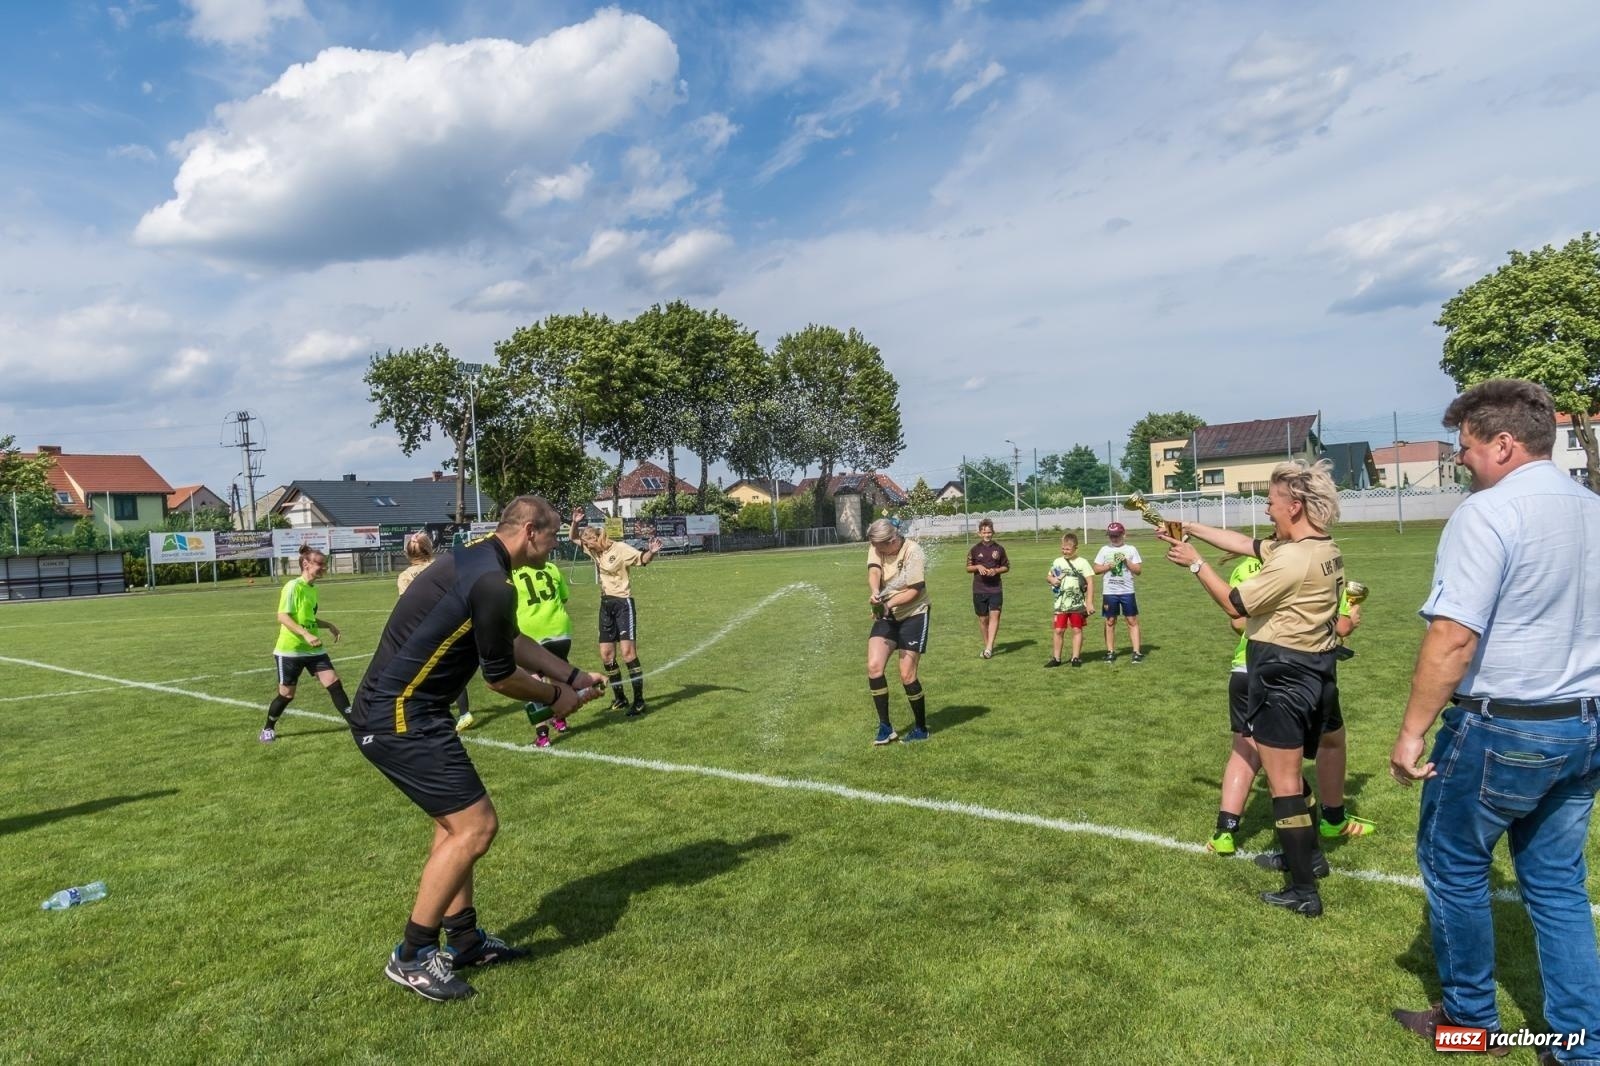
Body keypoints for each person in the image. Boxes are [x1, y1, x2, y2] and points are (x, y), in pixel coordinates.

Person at [1389, 380, 1600, 1061]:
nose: (1464, 462)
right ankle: (1581, 1044)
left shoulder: (1486, 514)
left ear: (1505, 443)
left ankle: (1470, 1023)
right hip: (1585, 723)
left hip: (1505, 725)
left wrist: (1412, 731)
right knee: (1558, 883)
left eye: (1468, 448)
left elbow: (1453, 635)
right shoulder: (1592, 509)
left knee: (1453, 865)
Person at [350, 496, 606, 1002]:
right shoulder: (491, 580)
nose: (554, 548)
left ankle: (464, 940)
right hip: (399, 716)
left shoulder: (474, 560)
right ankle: (413, 955)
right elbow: (500, 679)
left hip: (410, 711)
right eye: (553, 537)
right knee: (477, 826)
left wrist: (571, 674)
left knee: (453, 826)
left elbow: (508, 639)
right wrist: (560, 698)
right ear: (530, 531)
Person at [1160, 459, 1344, 916]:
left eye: (1272, 500)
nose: (1266, 508)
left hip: (1284, 675)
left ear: (1295, 506)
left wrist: (1195, 564)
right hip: (1314, 670)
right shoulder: (1316, 546)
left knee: (1283, 784)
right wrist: (1192, 528)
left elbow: (1235, 605)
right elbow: (1246, 544)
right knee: (1290, 779)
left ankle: (1303, 892)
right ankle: (1310, 858)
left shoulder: (1295, 560)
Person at [1204, 560, 1372, 856]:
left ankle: (1225, 832)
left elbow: (1237, 622)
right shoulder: (1311, 560)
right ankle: (1328, 824)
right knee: (1327, 742)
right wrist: (1350, 621)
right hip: (1297, 672)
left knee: (1244, 751)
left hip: (1245, 669)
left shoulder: (1246, 567)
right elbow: (1339, 626)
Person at [569, 509, 662, 716]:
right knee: (607, 655)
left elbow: (642, 559)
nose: (587, 546)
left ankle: (639, 701)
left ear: (597, 538)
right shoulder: (594, 551)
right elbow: (573, 537)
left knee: (628, 654)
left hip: (623, 604)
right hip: (606, 605)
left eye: (590, 543)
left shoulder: (619, 548)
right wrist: (574, 522)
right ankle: (620, 698)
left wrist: (652, 551)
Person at [261, 544, 350, 742]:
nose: (324, 568)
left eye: (325, 565)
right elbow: (283, 616)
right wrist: (305, 634)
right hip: (290, 650)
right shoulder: (293, 586)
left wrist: (328, 625)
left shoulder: (313, 589)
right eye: (320, 564)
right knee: (287, 695)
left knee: (334, 683)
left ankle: (355, 724)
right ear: (306, 564)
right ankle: (268, 727)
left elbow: (308, 618)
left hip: (314, 650)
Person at [397, 532, 474, 733]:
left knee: (421, 675)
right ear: (429, 548)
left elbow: (407, 607)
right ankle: (464, 713)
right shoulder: (442, 567)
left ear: (407, 553)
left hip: (423, 630)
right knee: (451, 671)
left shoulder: (405, 576)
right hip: (450, 623)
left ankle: (428, 714)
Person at [865, 517, 932, 745]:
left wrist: (888, 604)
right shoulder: (877, 545)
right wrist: (876, 593)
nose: (876, 550)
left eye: (880, 546)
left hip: (914, 614)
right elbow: (874, 571)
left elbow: (914, 590)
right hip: (887, 615)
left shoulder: (913, 551)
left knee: (907, 674)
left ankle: (921, 728)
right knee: (874, 667)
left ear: (892, 540)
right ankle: (886, 728)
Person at [512, 556, 574, 747]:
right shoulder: (551, 568)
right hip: (560, 631)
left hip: (531, 631)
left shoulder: (513, 572)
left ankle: (542, 735)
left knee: (532, 682)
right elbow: (564, 596)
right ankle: (560, 720)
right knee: (557, 676)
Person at [1093, 522, 1144, 663]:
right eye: (1111, 536)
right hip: (1109, 592)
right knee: (1110, 621)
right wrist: (1108, 566)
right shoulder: (1104, 550)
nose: (1114, 539)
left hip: (1127, 590)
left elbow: (1138, 571)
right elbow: (1096, 570)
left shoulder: (1131, 549)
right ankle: (1110, 651)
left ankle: (1136, 652)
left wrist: (1126, 561)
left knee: (1131, 620)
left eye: (1116, 536)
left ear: (1123, 534)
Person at [1045, 532, 1095, 668]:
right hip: (1060, 603)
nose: (1065, 551)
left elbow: (1090, 582)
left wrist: (1089, 602)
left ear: (1075, 549)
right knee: (1059, 630)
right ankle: (1056, 658)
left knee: (1077, 629)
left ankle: (1075, 658)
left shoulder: (1082, 562)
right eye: (1063, 548)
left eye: (1068, 549)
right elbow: (1049, 576)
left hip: (1077, 604)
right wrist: (1052, 579)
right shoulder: (1058, 562)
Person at [965, 518, 1010, 659]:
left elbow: (1006, 567)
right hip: (979, 589)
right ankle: (987, 646)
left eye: (989, 532)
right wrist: (978, 567)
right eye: (984, 532)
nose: (987, 535)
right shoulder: (974, 549)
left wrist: (996, 571)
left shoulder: (999, 549)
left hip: (995, 588)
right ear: (979, 533)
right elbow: (968, 567)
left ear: (993, 532)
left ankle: (989, 647)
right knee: (983, 619)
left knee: (995, 616)